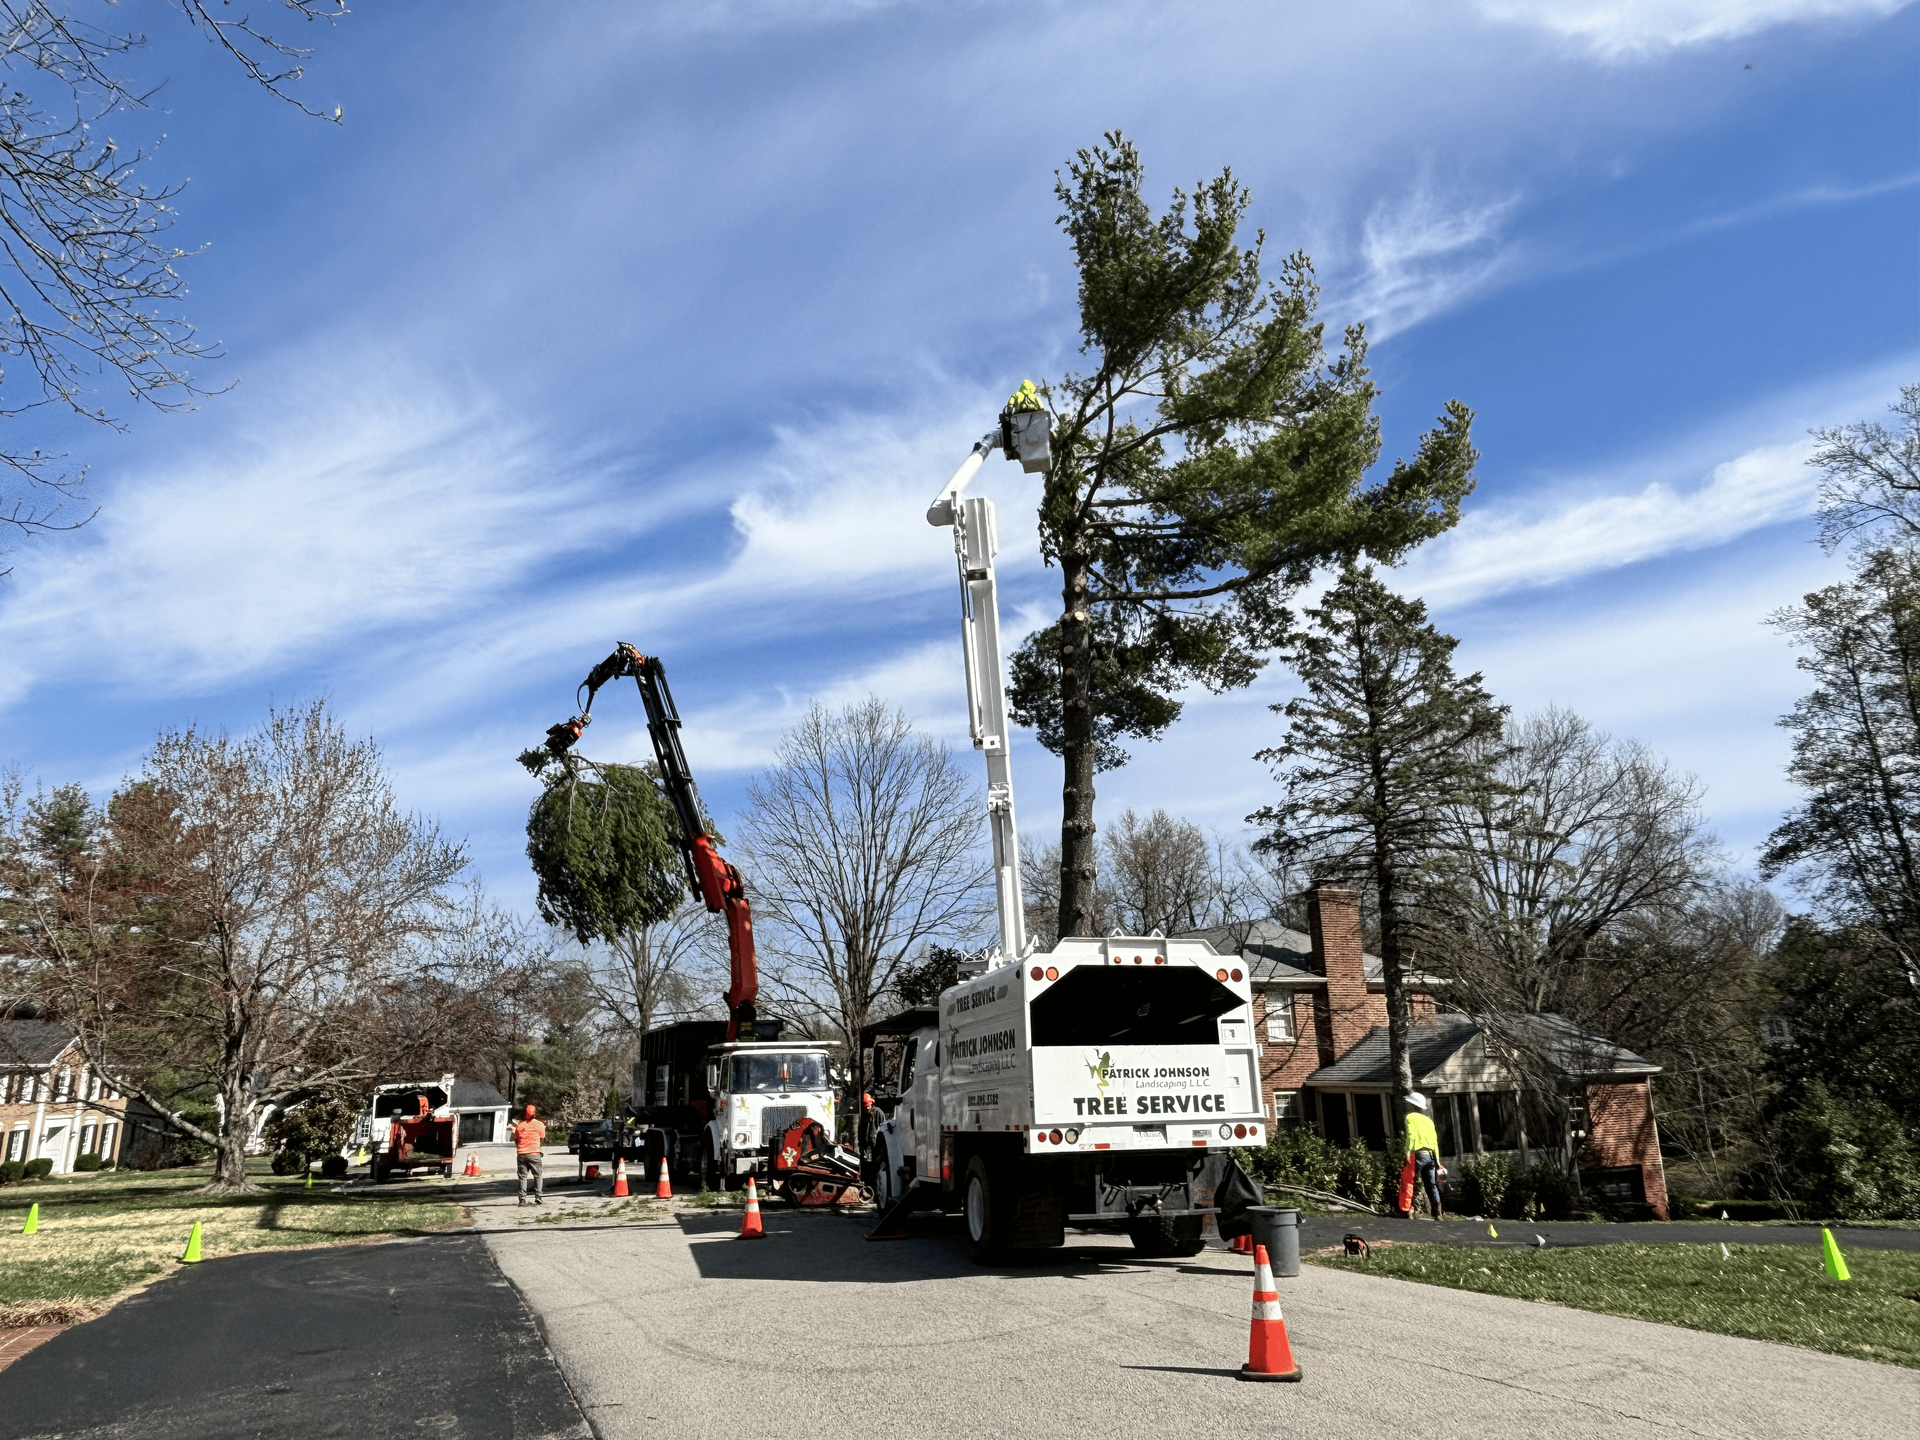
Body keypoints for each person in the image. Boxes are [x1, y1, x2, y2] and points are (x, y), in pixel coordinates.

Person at [1399, 1092, 1445, 1220]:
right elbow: (1434, 1141)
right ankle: (1437, 1212)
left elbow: (1411, 1136)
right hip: (1430, 1155)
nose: (1406, 1104)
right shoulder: (1428, 1121)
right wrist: (1437, 1160)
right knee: (1431, 1184)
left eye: (1408, 1102)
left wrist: (1408, 1152)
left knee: (1409, 1181)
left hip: (1417, 1154)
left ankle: (1407, 1211)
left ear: (1413, 1105)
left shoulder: (1410, 1117)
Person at [510, 1103, 547, 1206]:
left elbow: (516, 1139)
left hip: (521, 1154)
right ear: (534, 1113)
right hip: (534, 1153)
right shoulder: (539, 1124)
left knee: (523, 1177)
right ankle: (538, 1197)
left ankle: (522, 1199)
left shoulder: (520, 1125)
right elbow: (541, 1138)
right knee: (538, 1176)